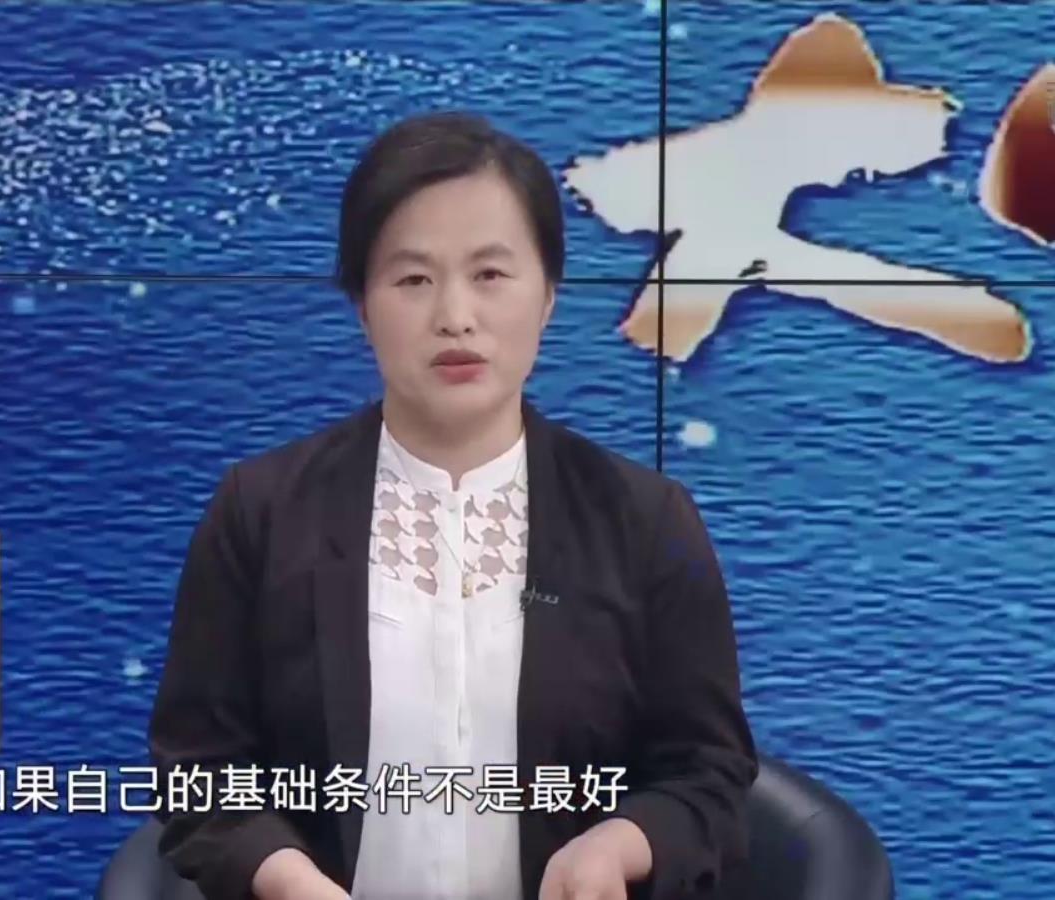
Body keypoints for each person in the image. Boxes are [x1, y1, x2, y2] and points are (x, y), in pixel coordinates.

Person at [148, 110, 757, 900]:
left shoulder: (644, 522)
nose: (455, 316)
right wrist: (287, 881)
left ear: (548, 296)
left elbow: (708, 773)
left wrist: (621, 843)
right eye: (413, 279)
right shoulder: (260, 514)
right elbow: (199, 772)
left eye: (491, 275)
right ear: (363, 304)